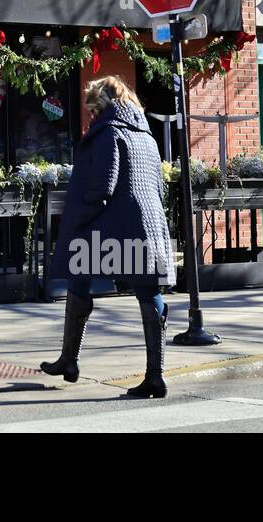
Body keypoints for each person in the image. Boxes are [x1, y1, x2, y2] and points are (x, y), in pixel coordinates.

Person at [41, 75, 176, 399]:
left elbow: (103, 187)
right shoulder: (145, 134)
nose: (90, 116)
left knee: (79, 277)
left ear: (102, 105)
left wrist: (76, 220)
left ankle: (70, 360)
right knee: (145, 291)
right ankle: (151, 374)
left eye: (91, 109)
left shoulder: (109, 133)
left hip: (108, 225)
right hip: (144, 225)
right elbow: (157, 184)